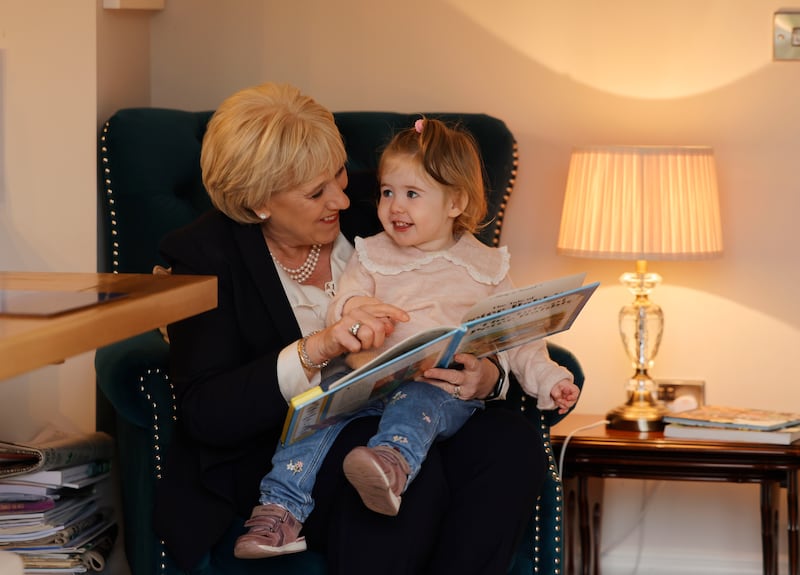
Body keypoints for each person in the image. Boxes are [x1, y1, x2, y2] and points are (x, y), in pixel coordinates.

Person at [153, 81, 555, 575]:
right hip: (289, 442)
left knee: (512, 446)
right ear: (259, 202)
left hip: (425, 401)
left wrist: (489, 375)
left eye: (340, 174)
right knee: (395, 479)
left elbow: (466, 292)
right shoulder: (204, 255)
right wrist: (316, 348)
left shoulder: (390, 200)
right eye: (316, 192)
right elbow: (205, 413)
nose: (343, 199)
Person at [234, 117, 580, 560]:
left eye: (412, 195)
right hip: (367, 383)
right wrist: (355, 314)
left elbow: (520, 338)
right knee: (313, 419)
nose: (395, 206)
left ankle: (389, 465)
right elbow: (344, 301)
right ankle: (279, 509)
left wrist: (550, 380)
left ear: (455, 202)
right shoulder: (373, 252)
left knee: (419, 401)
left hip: (439, 390)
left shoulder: (486, 266)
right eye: (386, 192)